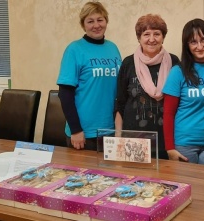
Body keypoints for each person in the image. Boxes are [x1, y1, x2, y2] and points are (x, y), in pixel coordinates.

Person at [162, 18, 204, 167]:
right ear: (187, 45)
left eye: (203, 40)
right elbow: (168, 113)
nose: (199, 46)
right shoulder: (177, 72)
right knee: (188, 189)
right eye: (193, 42)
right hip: (184, 144)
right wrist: (170, 148)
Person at [57, 1, 122, 150]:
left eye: (100, 20)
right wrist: (76, 130)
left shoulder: (113, 48)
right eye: (90, 21)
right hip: (84, 133)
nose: (96, 25)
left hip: (111, 130)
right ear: (83, 25)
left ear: (106, 21)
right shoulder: (74, 50)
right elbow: (65, 94)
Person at [115, 14, 180, 160]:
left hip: (166, 140)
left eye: (157, 34)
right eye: (146, 34)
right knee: (133, 180)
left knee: (165, 181)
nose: (152, 39)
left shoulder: (174, 62)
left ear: (163, 37)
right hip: (134, 139)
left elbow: (180, 102)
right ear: (139, 38)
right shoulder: (128, 63)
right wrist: (118, 138)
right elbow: (120, 103)